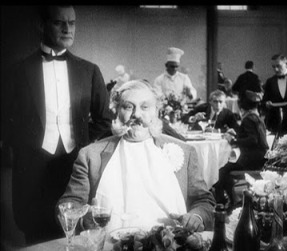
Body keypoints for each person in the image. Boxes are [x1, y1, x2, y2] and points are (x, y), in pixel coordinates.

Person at [5, 5, 113, 245]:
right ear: (41, 25)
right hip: (31, 173)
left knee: (75, 238)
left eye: (72, 23)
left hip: (74, 169)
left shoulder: (89, 70)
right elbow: (5, 122)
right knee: (36, 236)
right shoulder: (17, 71)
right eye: (59, 23)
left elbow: (104, 119)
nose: (67, 29)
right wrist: (26, 147)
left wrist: (82, 142)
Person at [57, 80, 215, 233]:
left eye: (145, 107)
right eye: (128, 107)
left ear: (156, 112)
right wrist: (84, 218)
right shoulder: (91, 155)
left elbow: (204, 201)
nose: (137, 114)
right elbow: (68, 204)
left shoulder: (184, 151)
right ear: (117, 112)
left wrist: (196, 217)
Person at [213, 90, 269, 210]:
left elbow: (252, 140)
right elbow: (254, 137)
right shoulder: (257, 118)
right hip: (261, 158)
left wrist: (233, 141)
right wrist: (237, 135)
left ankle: (229, 201)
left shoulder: (248, 119)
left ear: (243, 106)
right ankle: (232, 199)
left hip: (252, 160)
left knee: (221, 171)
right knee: (225, 169)